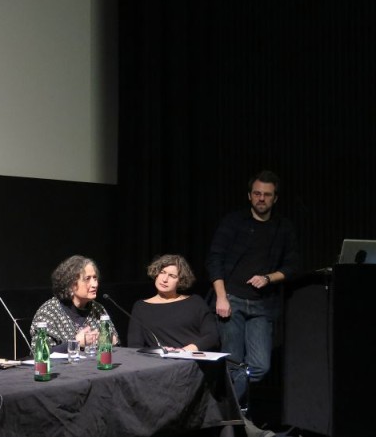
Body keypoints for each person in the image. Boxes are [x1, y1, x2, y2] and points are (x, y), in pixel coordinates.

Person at [207, 170, 300, 437]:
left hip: (262, 306)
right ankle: (237, 426)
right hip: (231, 301)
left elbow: (293, 266)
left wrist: (268, 278)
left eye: (267, 195)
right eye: (257, 193)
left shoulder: (283, 228)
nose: (261, 199)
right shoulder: (233, 222)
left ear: (275, 198)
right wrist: (221, 297)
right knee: (234, 363)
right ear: (249, 195)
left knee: (259, 366)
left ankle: (226, 420)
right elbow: (215, 260)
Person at [128, 254, 218, 352]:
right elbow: (134, 346)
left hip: (192, 360)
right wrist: (158, 351)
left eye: (172, 276)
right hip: (160, 362)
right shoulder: (141, 307)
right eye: (162, 272)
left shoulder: (195, 302)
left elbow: (212, 336)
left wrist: (186, 350)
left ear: (180, 281)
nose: (164, 279)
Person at [30, 255, 119, 354]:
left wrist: (110, 340)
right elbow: (39, 354)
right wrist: (76, 343)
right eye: (87, 279)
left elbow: (116, 343)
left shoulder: (98, 309)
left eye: (95, 278)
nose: (95, 284)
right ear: (71, 284)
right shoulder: (48, 312)